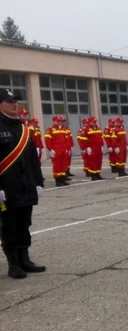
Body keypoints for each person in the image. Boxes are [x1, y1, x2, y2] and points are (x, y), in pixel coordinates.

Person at [0, 88, 45, 279]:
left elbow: (31, 158)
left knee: (24, 222)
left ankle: (25, 258)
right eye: (10, 101)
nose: (14, 104)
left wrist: (37, 181)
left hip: (25, 185)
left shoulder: (22, 127)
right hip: (7, 187)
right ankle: (13, 264)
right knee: (9, 225)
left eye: (15, 101)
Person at [45, 115, 72, 186]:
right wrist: (50, 149)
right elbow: (47, 140)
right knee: (57, 166)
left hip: (63, 149)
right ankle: (58, 180)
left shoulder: (63, 129)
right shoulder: (50, 129)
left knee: (63, 165)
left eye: (60, 121)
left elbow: (66, 140)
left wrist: (67, 148)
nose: (60, 122)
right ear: (54, 121)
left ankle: (62, 179)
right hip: (56, 150)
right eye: (58, 121)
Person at [85, 117, 105, 181]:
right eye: (93, 122)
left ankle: (98, 174)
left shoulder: (98, 129)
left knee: (99, 161)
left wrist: (102, 146)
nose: (95, 123)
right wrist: (86, 147)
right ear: (90, 122)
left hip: (98, 147)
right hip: (92, 148)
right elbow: (83, 140)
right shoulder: (87, 129)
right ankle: (93, 175)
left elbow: (101, 137)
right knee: (93, 162)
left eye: (95, 121)